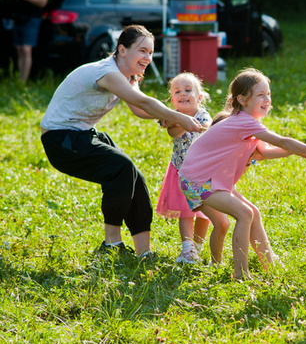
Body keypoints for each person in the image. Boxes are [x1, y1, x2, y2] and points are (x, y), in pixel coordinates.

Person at [40, 25, 202, 257]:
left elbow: (139, 109)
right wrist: (177, 116)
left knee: (134, 176)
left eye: (150, 52)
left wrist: (168, 117)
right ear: (122, 50)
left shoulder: (128, 76)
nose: (147, 57)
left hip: (82, 133)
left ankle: (143, 251)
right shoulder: (107, 73)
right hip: (61, 139)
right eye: (142, 51)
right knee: (120, 167)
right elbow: (144, 102)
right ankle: (111, 245)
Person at [178, 68, 306, 280]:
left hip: (206, 178)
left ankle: (269, 265)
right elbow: (283, 141)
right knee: (244, 214)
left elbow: (264, 152)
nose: (267, 99)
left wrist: (298, 151)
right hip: (199, 180)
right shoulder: (242, 121)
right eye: (260, 95)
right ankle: (241, 274)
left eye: (268, 94)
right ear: (242, 99)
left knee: (252, 212)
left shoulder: (249, 124)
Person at [155, 73, 213, 264]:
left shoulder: (203, 115)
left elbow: (206, 127)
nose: (183, 94)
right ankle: (187, 248)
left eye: (188, 90)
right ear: (173, 100)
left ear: (199, 97)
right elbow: (173, 133)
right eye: (178, 92)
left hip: (203, 173)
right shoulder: (174, 119)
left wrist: (191, 123)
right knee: (186, 211)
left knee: (204, 213)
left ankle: (197, 247)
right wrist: (180, 120)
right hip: (181, 171)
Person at [9, 0, 49, 82]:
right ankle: (19, 79)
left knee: (26, 49)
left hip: (32, 19)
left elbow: (43, 2)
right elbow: (16, 0)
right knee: (19, 49)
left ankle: (23, 81)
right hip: (20, 18)